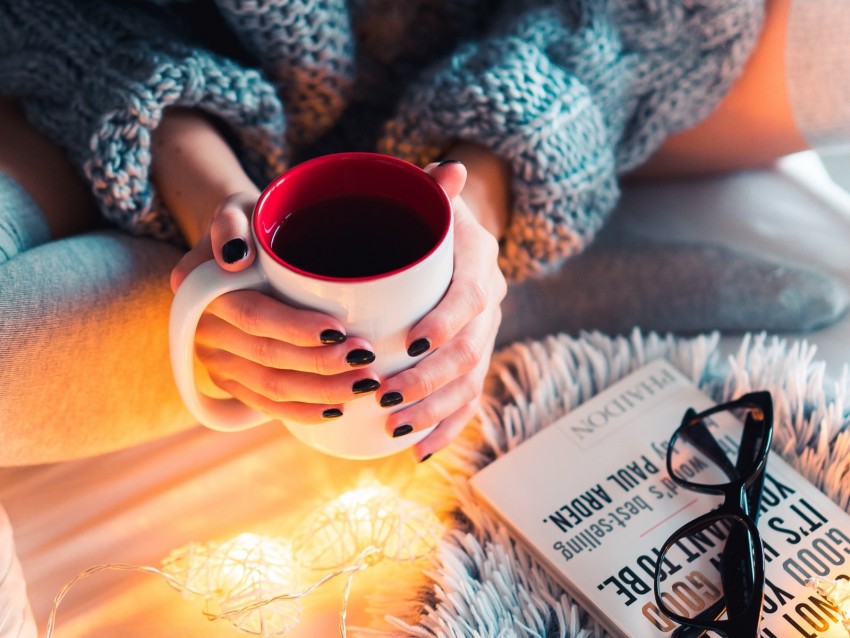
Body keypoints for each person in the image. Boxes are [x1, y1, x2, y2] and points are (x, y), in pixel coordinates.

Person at [0, 0, 846, 466]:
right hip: (161, 76)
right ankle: (442, 320)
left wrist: (477, 202)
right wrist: (221, 213)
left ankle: (474, 291)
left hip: (524, 52)